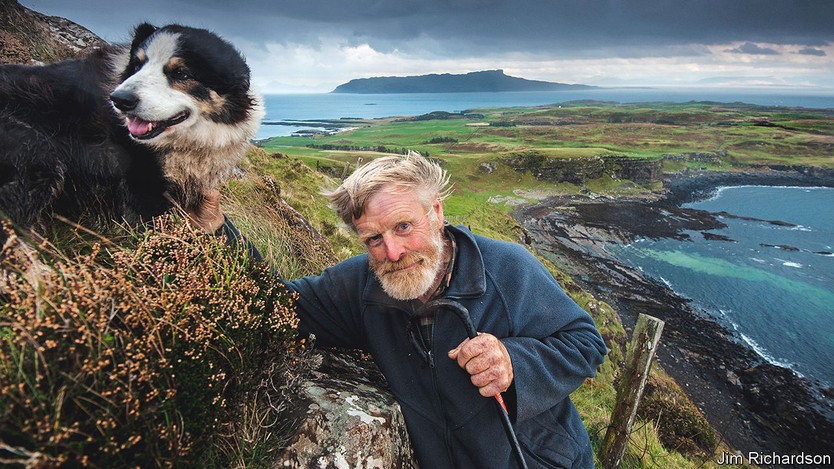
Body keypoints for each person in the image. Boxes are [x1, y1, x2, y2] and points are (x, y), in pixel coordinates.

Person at [189, 153, 607, 468]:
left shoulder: (507, 267)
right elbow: (277, 305)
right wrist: (215, 229)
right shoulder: (360, 285)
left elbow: (585, 344)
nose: (392, 252)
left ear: (437, 213)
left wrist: (513, 363)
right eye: (373, 239)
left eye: (404, 227)